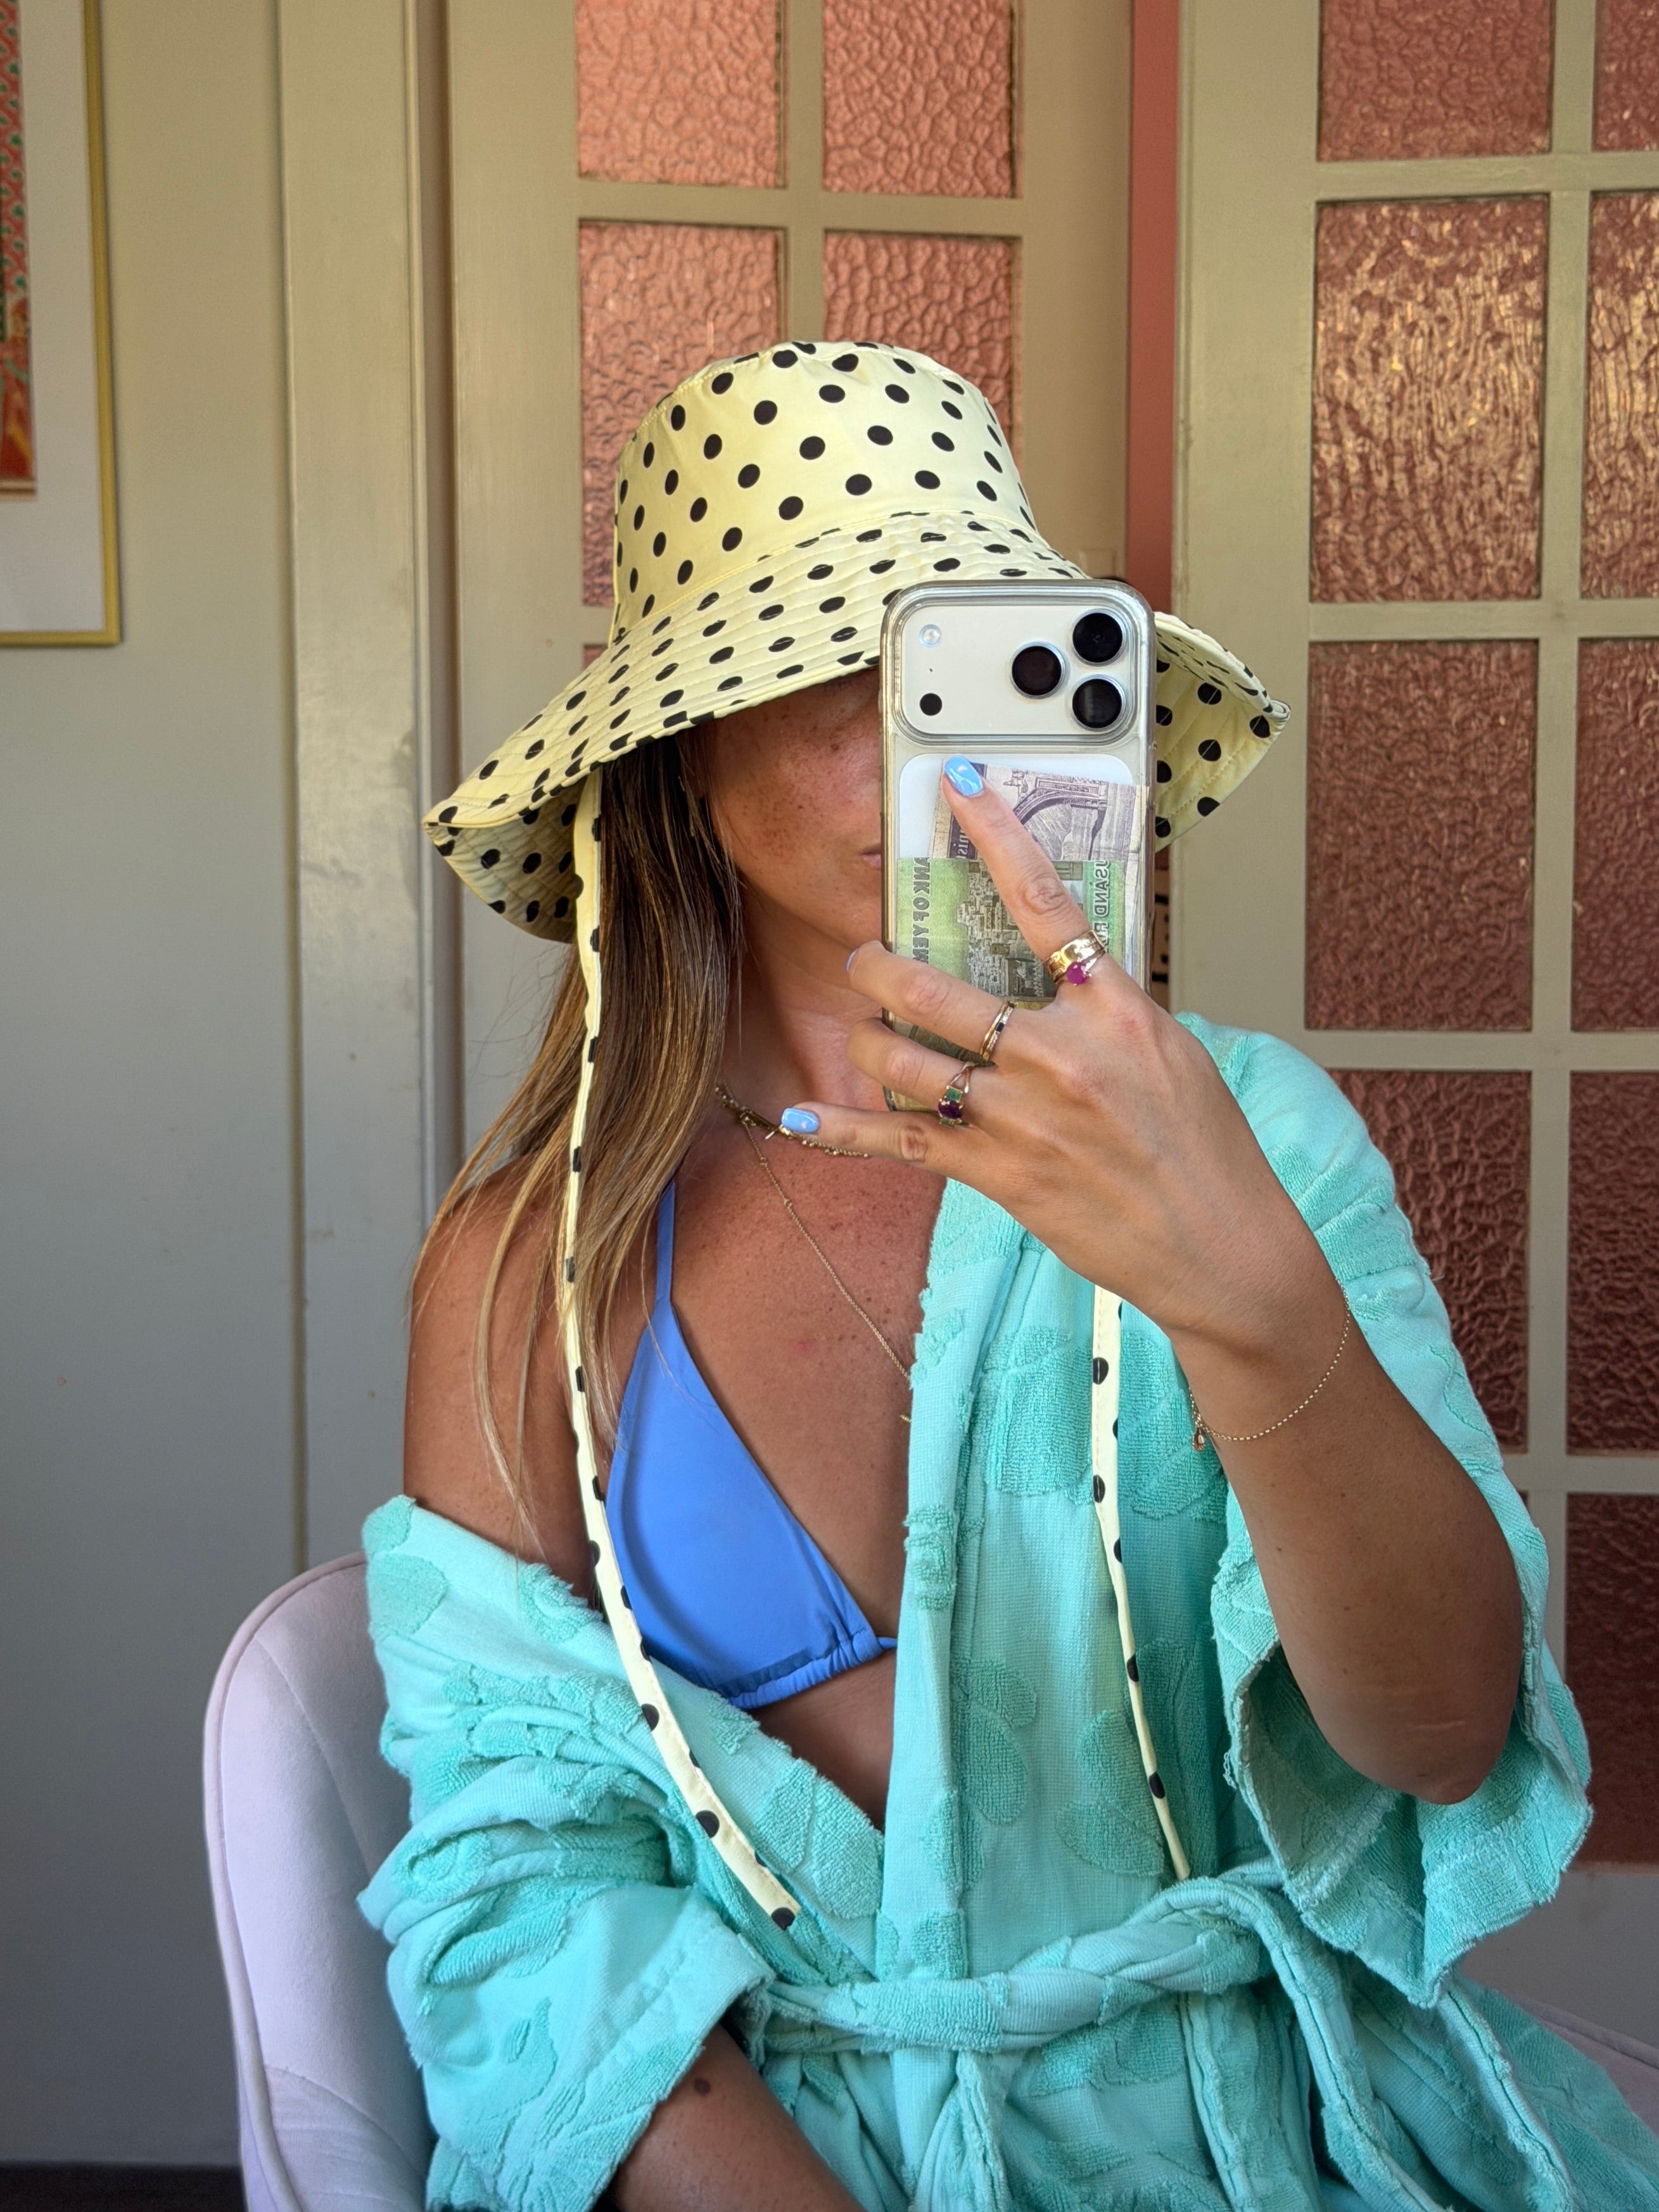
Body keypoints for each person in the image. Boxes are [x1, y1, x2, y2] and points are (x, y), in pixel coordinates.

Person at [361, 345, 1659, 2211]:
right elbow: (519, 1887)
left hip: (1259, 2141)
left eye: (979, 660)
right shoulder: (533, 1272)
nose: (933, 742)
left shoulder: (1252, 1137)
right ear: (678, 755)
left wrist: (1251, 1302)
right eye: (841, 665)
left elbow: (1443, 1744)